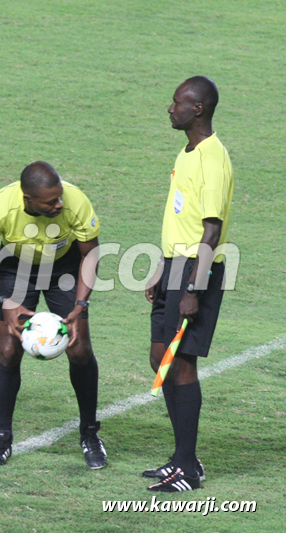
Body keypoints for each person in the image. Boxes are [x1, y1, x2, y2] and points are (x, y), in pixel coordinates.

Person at [0, 161, 107, 469]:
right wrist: (3, 300)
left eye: (59, 197)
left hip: (65, 267)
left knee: (80, 348)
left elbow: (91, 254)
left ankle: (89, 434)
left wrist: (80, 305)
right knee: (8, 350)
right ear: (27, 198)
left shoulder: (76, 203)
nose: (59, 204)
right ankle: (2, 438)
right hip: (16, 267)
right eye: (50, 201)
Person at [143, 76, 233, 492]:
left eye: (177, 102)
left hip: (197, 270)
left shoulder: (213, 159)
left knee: (180, 363)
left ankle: (187, 468)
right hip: (174, 265)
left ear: (197, 108)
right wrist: (164, 270)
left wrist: (193, 289)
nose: (170, 108)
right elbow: (185, 218)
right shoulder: (189, 151)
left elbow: (211, 232)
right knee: (160, 357)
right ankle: (182, 458)